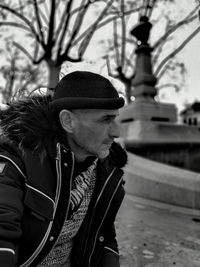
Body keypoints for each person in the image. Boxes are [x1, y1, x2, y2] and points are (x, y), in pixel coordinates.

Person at [0, 71, 127, 267]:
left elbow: (104, 236)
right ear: (68, 121)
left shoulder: (106, 170)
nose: (117, 132)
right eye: (105, 120)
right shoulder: (17, 158)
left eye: (116, 119)